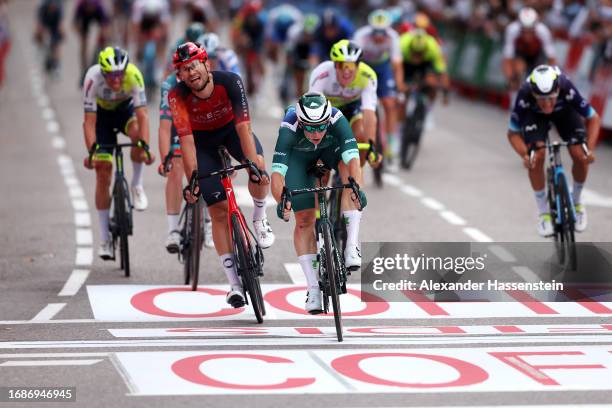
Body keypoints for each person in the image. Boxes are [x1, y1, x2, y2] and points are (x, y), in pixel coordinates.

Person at [168, 42, 275, 307]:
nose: (190, 73)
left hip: (231, 132)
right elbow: (187, 142)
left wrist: (253, 166)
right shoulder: (176, 96)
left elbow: (243, 127)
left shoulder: (231, 82)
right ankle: (234, 285)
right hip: (202, 143)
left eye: (194, 65)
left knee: (259, 165)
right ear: (179, 75)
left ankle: (260, 219)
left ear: (206, 63)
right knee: (217, 209)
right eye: (183, 70)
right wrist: (193, 181)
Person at [271, 92, 365, 314]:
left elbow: (353, 158)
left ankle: (351, 246)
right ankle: (313, 288)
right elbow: (277, 174)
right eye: (310, 127)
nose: (316, 132)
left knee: (347, 175)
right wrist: (281, 200)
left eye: (321, 126)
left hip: (329, 152)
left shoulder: (337, 120)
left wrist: (356, 188)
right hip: (299, 158)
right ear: (301, 121)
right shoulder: (289, 128)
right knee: (303, 219)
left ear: (327, 119)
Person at [507, 65, 599, 236]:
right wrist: (525, 155)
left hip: (565, 112)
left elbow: (593, 118)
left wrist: (590, 150)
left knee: (579, 153)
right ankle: (543, 214)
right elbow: (512, 133)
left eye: (551, 98)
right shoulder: (525, 94)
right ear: (534, 94)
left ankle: (577, 202)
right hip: (535, 117)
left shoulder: (565, 86)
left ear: (557, 89)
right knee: (537, 155)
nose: (547, 104)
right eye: (542, 99)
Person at [82, 47, 155, 259]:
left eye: (119, 75)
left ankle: (137, 184)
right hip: (101, 118)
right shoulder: (92, 79)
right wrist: (92, 152)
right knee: (103, 171)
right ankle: (104, 239)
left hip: (125, 112)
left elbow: (143, 117)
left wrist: (145, 146)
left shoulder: (133, 75)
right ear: (103, 72)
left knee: (137, 136)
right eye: (111, 75)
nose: (116, 80)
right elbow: (88, 122)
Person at [309, 39, 379, 171]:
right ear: (334, 65)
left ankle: (351, 175)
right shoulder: (322, 73)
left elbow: (369, 114)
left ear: (358, 66)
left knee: (362, 137)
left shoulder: (368, 76)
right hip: (326, 109)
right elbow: (313, 111)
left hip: (352, 107)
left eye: (351, 66)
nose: (346, 71)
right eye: (342, 65)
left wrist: (371, 146)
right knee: (321, 168)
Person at [353, 9, 404, 165]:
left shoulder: (393, 37)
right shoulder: (361, 36)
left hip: (383, 68)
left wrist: (399, 86)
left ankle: (391, 144)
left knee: (390, 103)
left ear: (388, 29)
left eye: (382, 32)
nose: (379, 36)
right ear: (370, 29)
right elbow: (352, 62)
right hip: (363, 67)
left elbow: (397, 65)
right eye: (376, 32)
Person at [502, 7, 556, 94]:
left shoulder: (543, 31)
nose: (527, 34)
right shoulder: (512, 30)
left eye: (530, 30)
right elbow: (507, 59)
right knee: (518, 69)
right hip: (521, 54)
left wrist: (552, 79)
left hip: (538, 55)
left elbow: (552, 58)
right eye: (524, 30)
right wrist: (511, 78)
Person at [73, 0, 110, 81]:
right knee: (83, 43)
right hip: (85, 17)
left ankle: (104, 65)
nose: (90, 9)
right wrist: (81, 34)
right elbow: (75, 23)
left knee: (104, 40)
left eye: (91, 7)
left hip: (98, 15)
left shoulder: (99, 6)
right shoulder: (81, 5)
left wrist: (103, 36)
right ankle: (84, 69)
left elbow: (105, 25)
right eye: (88, 7)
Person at [34, 0, 64, 74]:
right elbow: (39, 21)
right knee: (39, 34)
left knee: (56, 44)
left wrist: (61, 33)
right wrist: (39, 31)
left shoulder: (59, 8)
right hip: (45, 20)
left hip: (55, 23)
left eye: (53, 7)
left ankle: (57, 65)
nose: (52, 8)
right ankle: (40, 49)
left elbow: (60, 24)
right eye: (51, 7)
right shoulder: (43, 6)